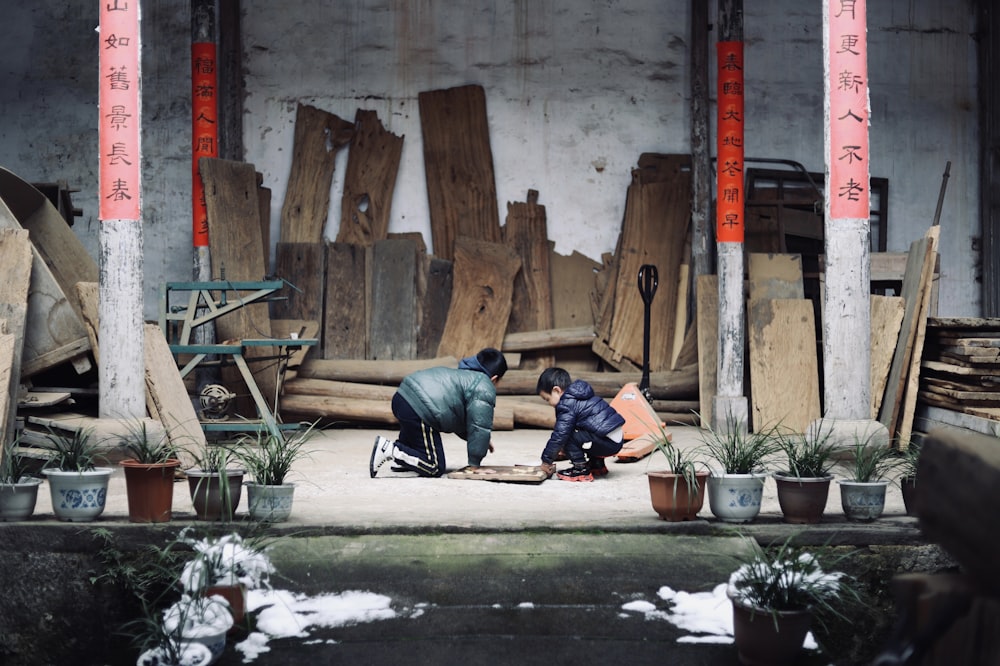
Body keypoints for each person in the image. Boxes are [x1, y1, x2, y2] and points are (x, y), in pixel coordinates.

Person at [369, 348, 508, 478]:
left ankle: (406, 457)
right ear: (494, 379)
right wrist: (475, 465)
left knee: (417, 435)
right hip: (421, 409)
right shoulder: (484, 385)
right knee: (434, 466)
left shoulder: (463, 375)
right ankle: (390, 450)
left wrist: (478, 439)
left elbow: (460, 420)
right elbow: (479, 426)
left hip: (402, 396)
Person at [536, 367, 625, 482]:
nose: (549, 403)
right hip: (616, 441)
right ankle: (596, 464)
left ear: (557, 391)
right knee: (585, 429)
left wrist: (546, 461)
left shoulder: (566, 404)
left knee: (567, 436)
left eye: (547, 399)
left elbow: (560, 435)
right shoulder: (580, 396)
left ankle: (580, 469)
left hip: (607, 443)